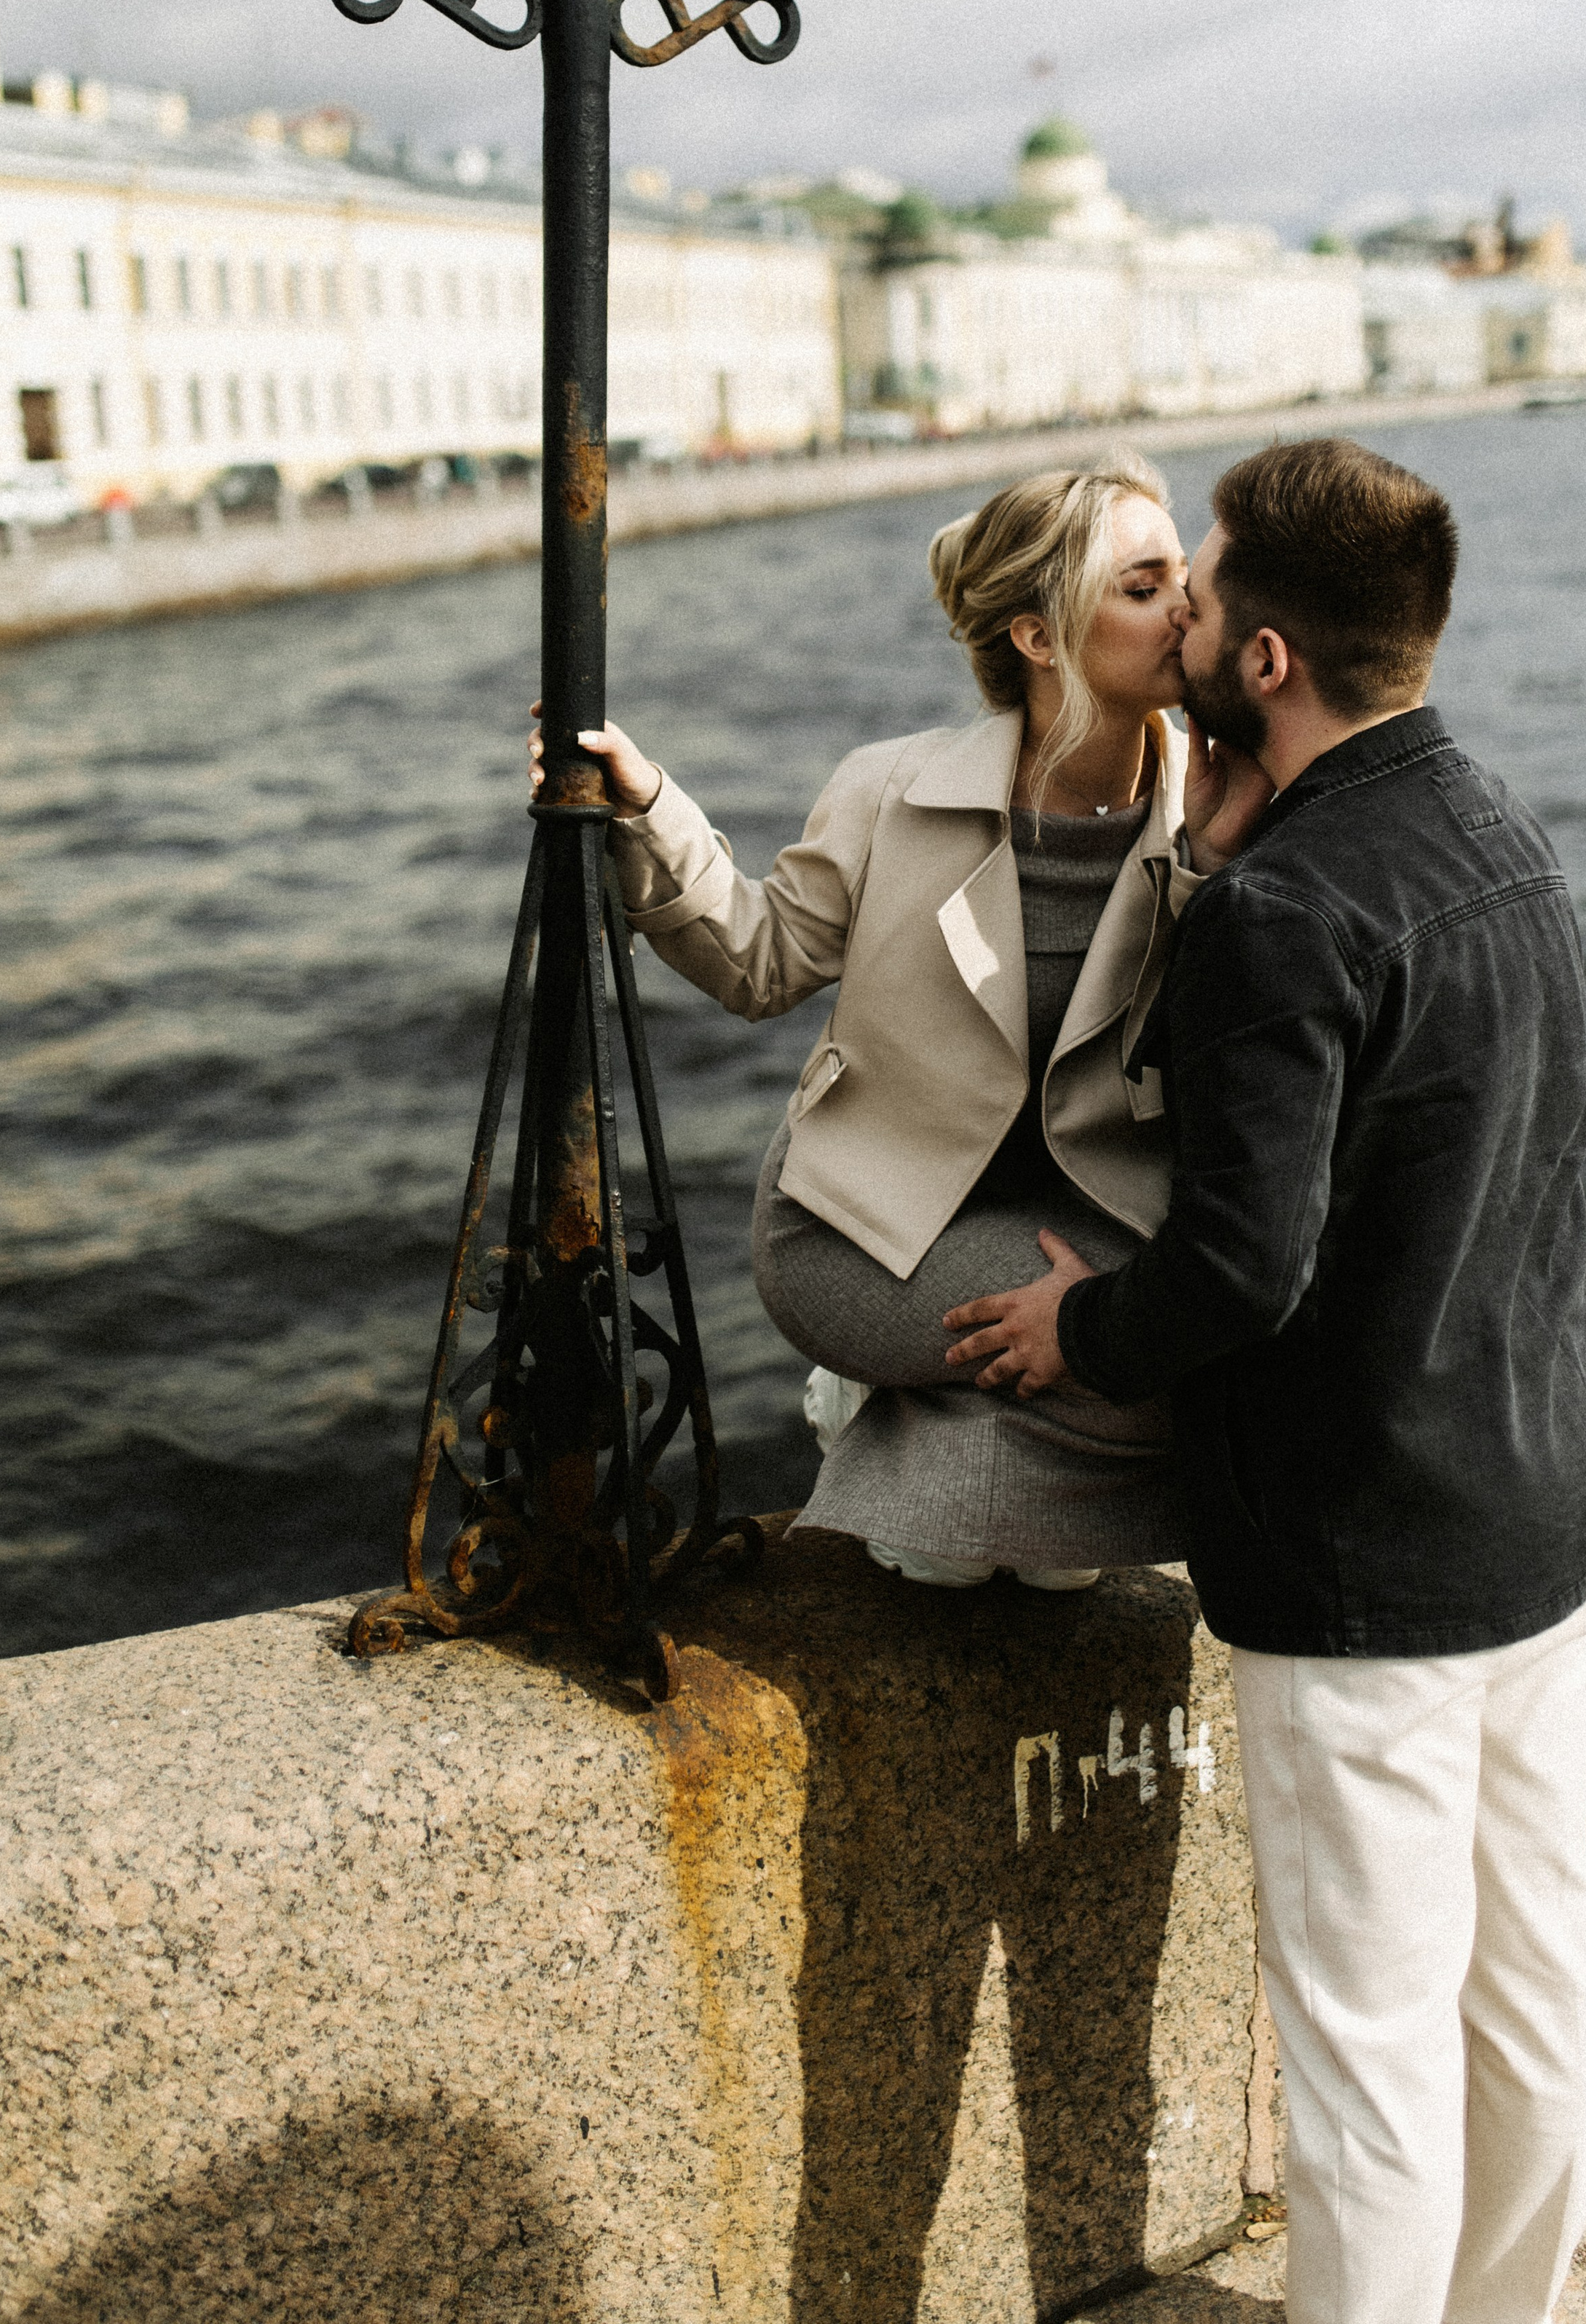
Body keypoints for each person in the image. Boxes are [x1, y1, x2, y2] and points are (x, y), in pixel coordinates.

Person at [944, 438, 1586, 2324]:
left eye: (1196, 592)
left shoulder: (1284, 910)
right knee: (1539, 1971)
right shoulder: (1493, 825)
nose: (1172, 614)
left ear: (1263, 661)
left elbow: (1239, 1268)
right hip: (1553, 1497)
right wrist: (1214, 860)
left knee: (1364, 2052)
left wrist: (1078, 1328)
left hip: (1375, 1561)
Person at [529, 456, 1264, 1588]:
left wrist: (1212, 862)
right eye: (1144, 585)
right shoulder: (888, 789)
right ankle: (934, 1424)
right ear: (1038, 635)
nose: (1187, 608)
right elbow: (761, 961)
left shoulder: (1211, 804)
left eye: (1186, 580)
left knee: (1229, 1335)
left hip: (1092, 1225)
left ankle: (924, 1448)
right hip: (869, 1230)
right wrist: (650, 809)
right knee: (1164, 1354)